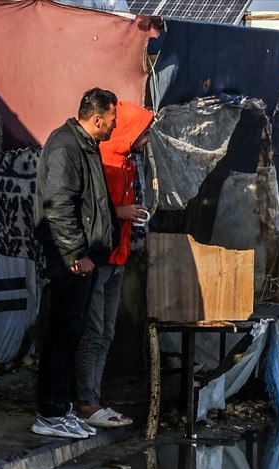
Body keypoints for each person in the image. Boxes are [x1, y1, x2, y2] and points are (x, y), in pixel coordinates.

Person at [31, 88, 119, 439]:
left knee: (70, 332)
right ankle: (50, 413)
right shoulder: (67, 146)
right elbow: (59, 205)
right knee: (62, 332)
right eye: (112, 121)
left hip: (81, 258)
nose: (114, 128)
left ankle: (60, 408)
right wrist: (75, 255)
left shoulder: (84, 145)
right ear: (97, 118)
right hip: (69, 260)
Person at [75, 100, 153, 430]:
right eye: (144, 131)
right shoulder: (102, 162)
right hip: (99, 258)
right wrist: (121, 213)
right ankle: (86, 402)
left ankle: (93, 397)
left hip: (117, 258)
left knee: (105, 332)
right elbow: (85, 208)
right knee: (93, 333)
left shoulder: (126, 163)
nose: (148, 138)